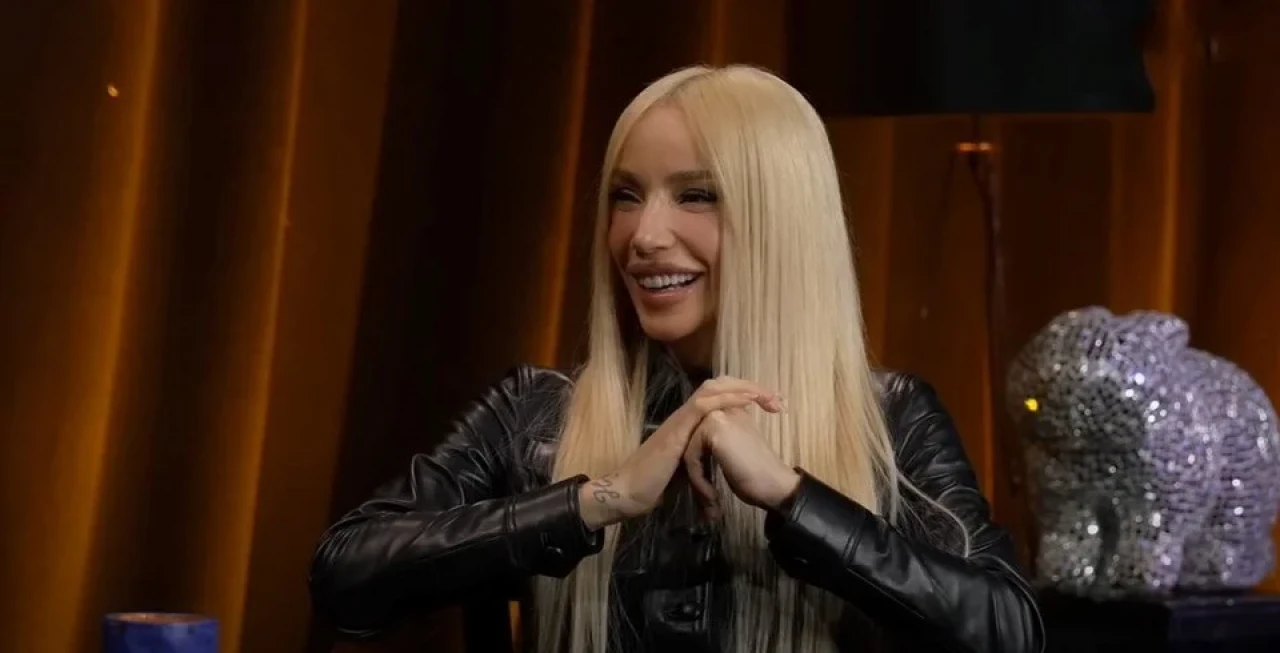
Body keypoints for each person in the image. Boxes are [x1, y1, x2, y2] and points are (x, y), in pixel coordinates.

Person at [309, 65, 1044, 653]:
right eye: (626, 196)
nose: (643, 235)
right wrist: (600, 500)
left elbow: (1009, 630)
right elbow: (346, 573)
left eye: (696, 195)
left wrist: (794, 498)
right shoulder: (534, 411)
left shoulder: (890, 418)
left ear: (781, 220)